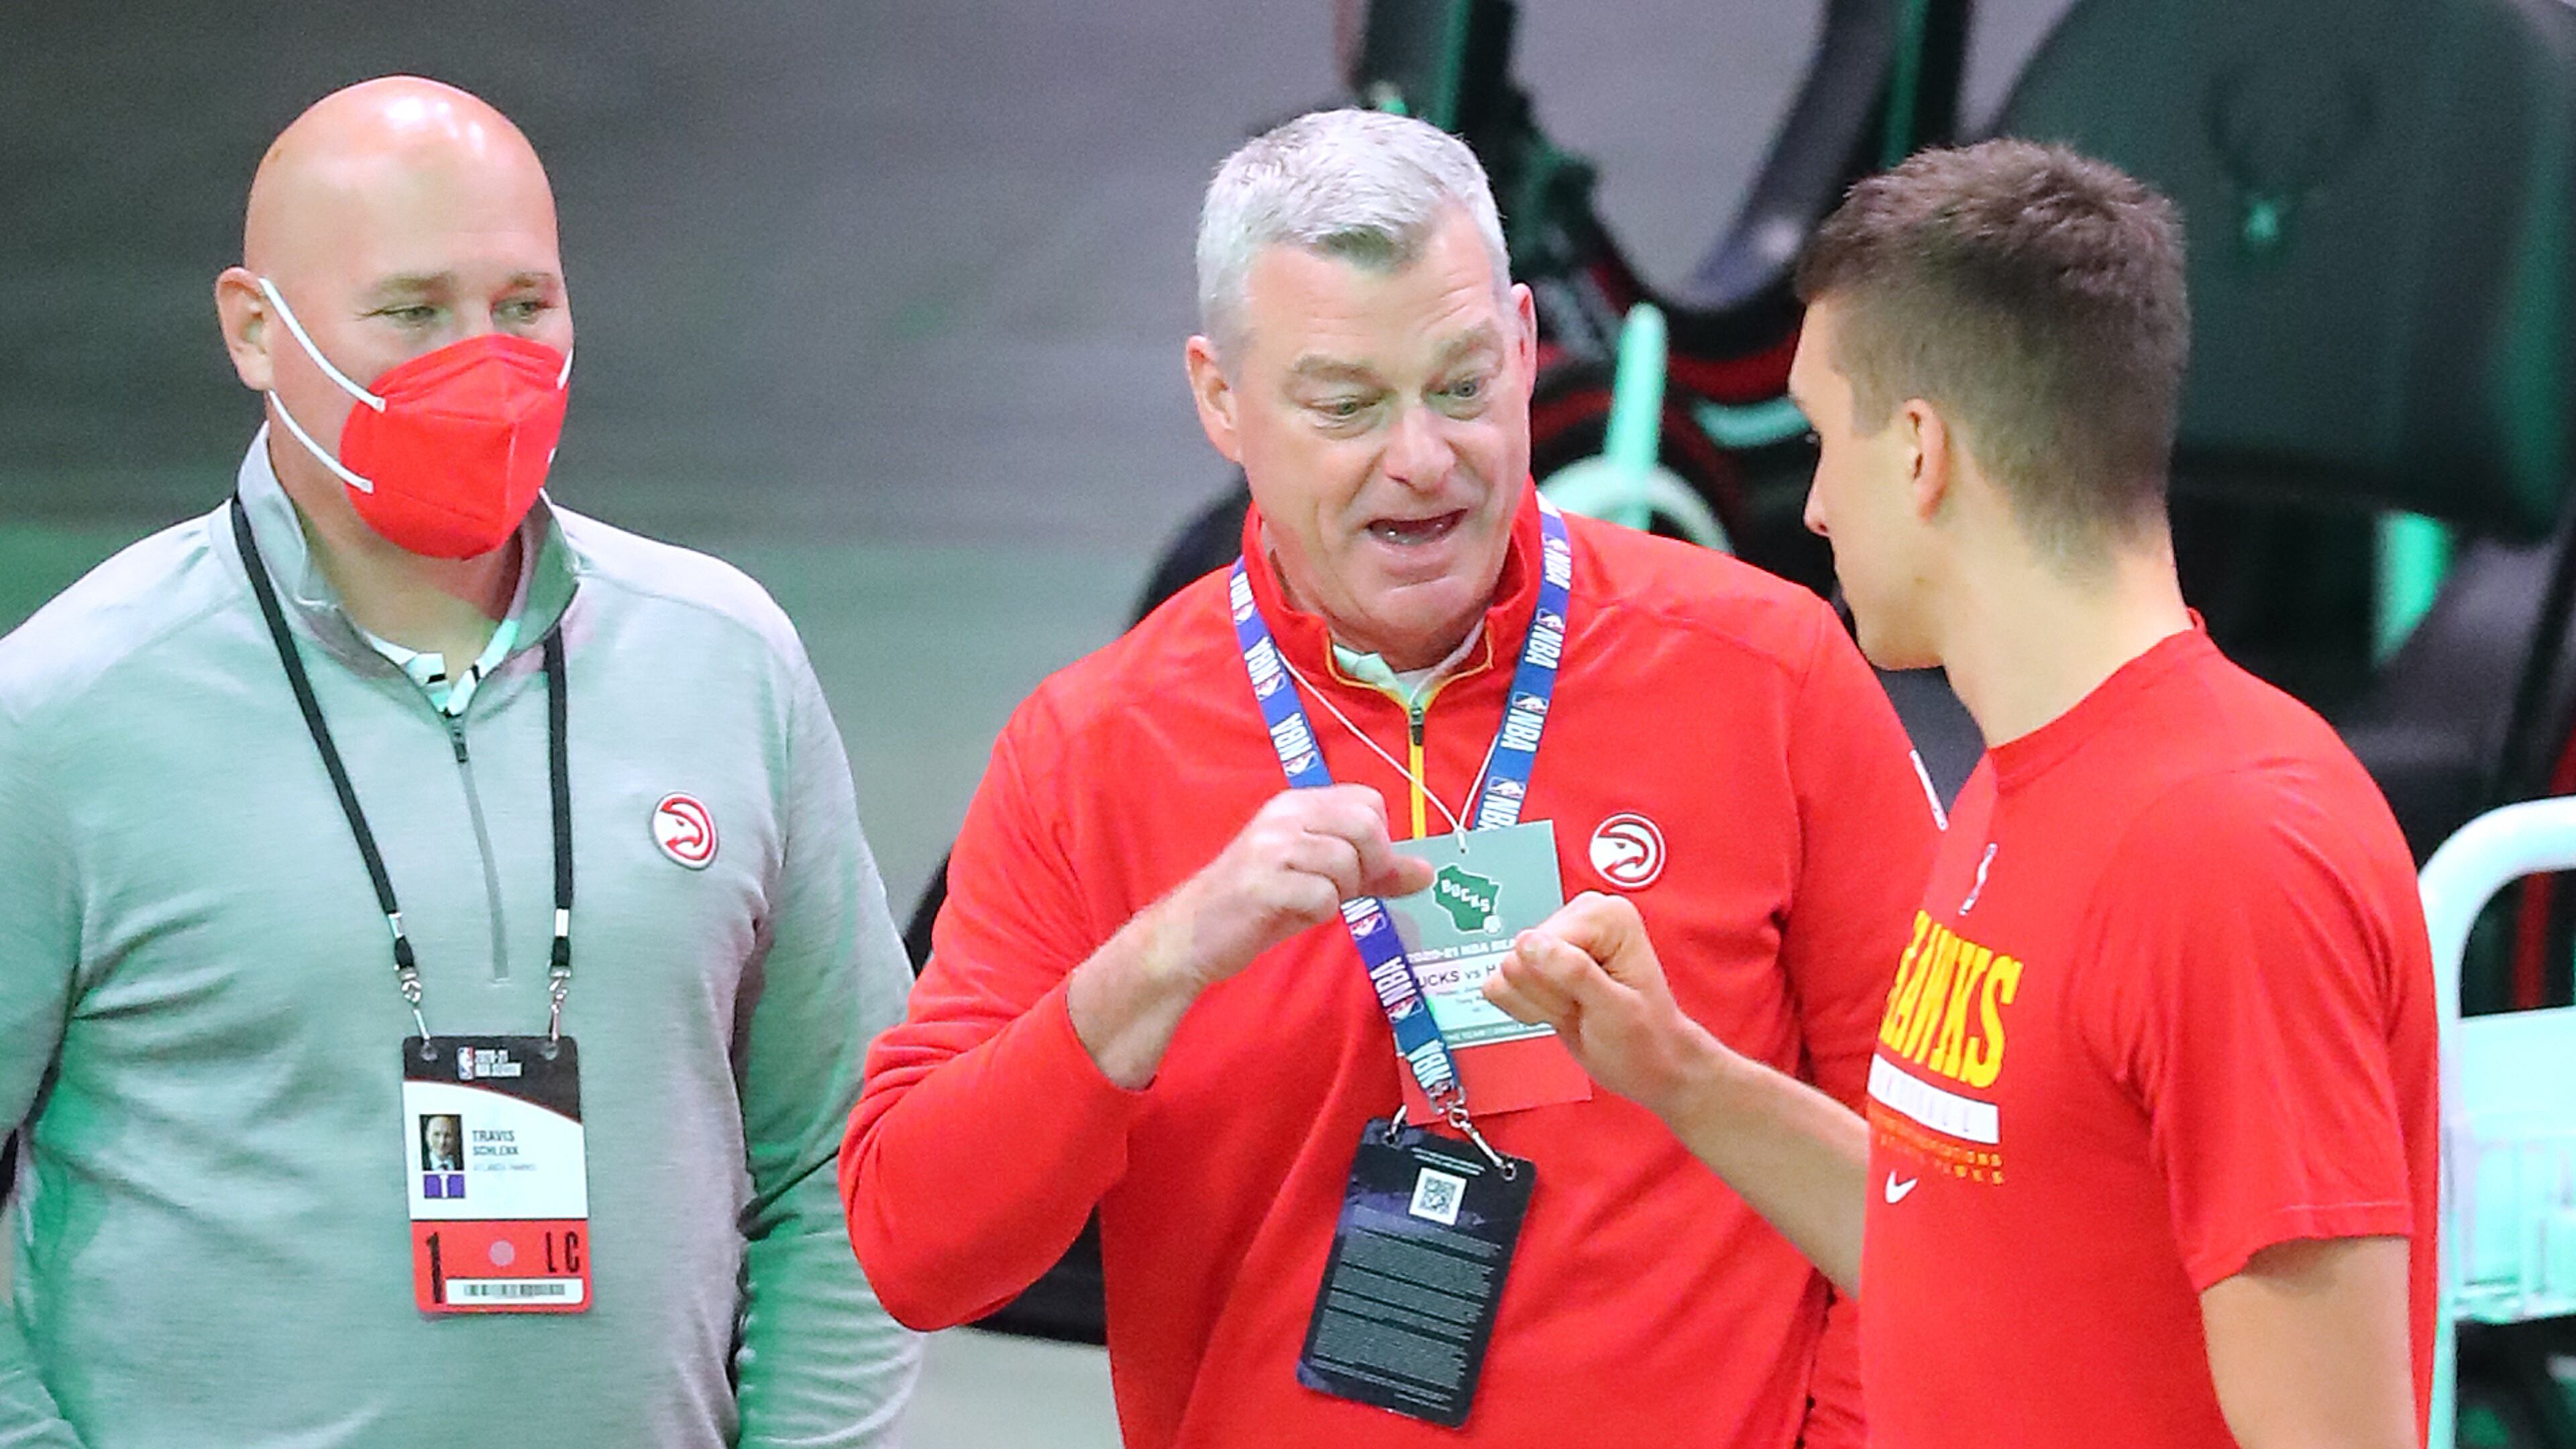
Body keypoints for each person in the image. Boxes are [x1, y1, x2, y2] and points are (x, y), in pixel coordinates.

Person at [841, 107, 1937, 1448]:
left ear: (1530, 346)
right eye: (1347, 405)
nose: (1423, 458)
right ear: (1219, 400)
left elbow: (1949, 1187)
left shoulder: (1769, 678)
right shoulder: (1092, 751)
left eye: (1464, 385)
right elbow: (915, 1247)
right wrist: (1157, 968)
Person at [0, 76, 919, 1446]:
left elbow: (853, 1157)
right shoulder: (69, 710)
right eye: (415, 312)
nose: (481, 361)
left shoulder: (725, 661)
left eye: (525, 306)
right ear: (258, 331)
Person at [1485, 140, 2437, 1449]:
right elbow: (1962, 1251)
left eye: (1824, 440)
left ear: (1921, 450)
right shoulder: (2024, 783)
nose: (1813, 506)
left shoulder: (2229, 852)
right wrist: (1684, 1076)